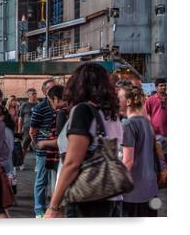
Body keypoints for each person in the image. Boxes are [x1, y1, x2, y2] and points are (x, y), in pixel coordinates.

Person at [45, 63, 124, 218]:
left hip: (87, 197)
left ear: (77, 84)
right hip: (113, 195)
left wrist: (54, 206)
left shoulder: (83, 110)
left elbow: (72, 163)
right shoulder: (111, 113)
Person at [118, 85, 160, 217]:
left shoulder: (128, 124)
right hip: (150, 188)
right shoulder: (146, 122)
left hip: (134, 193)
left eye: (118, 97)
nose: (116, 101)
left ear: (128, 101)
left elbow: (128, 161)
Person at [29, 79, 57, 218]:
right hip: (44, 151)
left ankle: (54, 208)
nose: (55, 91)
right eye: (52, 88)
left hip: (59, 150)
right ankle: (39, 211)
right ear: (44, 92)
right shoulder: (39, 108)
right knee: (42, 180)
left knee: (58, 181)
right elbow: (32, 131)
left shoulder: (62, 106)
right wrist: (37, 144)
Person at [17, 88, 39, 167]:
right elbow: (20, 118)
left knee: (37, 146)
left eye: (35, 93)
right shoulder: (24, 105)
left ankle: (38, 164)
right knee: (24, 146)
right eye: (33, 93)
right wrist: (19, 130)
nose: (34, 95)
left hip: (37, 128)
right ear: (28, 95)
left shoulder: (39, 104)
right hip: (26, 128)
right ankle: (21, 163)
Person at [145, 78, 167, 156]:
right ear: (156, 87)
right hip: (156, 134)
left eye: (165, 85)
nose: (164, 87)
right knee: (158, 157)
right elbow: (146, 114)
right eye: (161, 86)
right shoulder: (150, 100)